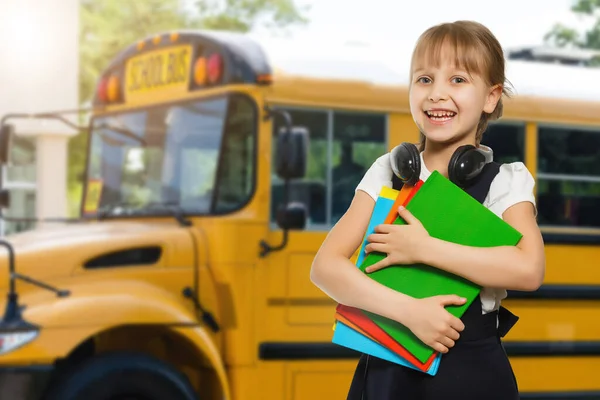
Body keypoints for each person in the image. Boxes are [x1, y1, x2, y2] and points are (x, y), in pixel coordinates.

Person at [310, 20, 546, 400]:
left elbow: (529, 269)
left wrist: (422, 248)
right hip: (386, 368)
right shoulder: (388, 170)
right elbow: (325, 267)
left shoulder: (505, 181)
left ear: (490, 96)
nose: (437, 94)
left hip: (470, 376)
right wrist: (409, 313)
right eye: (424, 79)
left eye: (457, 80)